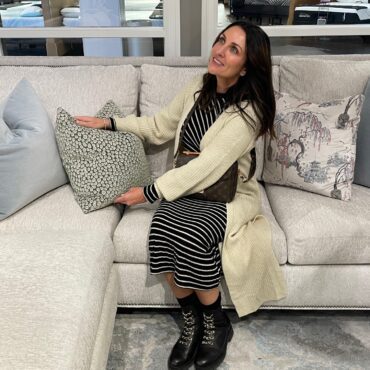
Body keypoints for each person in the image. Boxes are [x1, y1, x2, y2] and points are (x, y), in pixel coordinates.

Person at [75, 21, 286, 370]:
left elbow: (209, 166)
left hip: (227, 195)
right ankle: (192, 321)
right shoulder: (196, 87)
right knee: (160, 233)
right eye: (221, 41)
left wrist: (148, 192)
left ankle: (215, 324)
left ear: (246, 65)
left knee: (192, 235)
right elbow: (159, 127)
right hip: (186, 188)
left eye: (233, 49)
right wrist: (113, 123)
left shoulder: (251, 110)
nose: (220, 50)